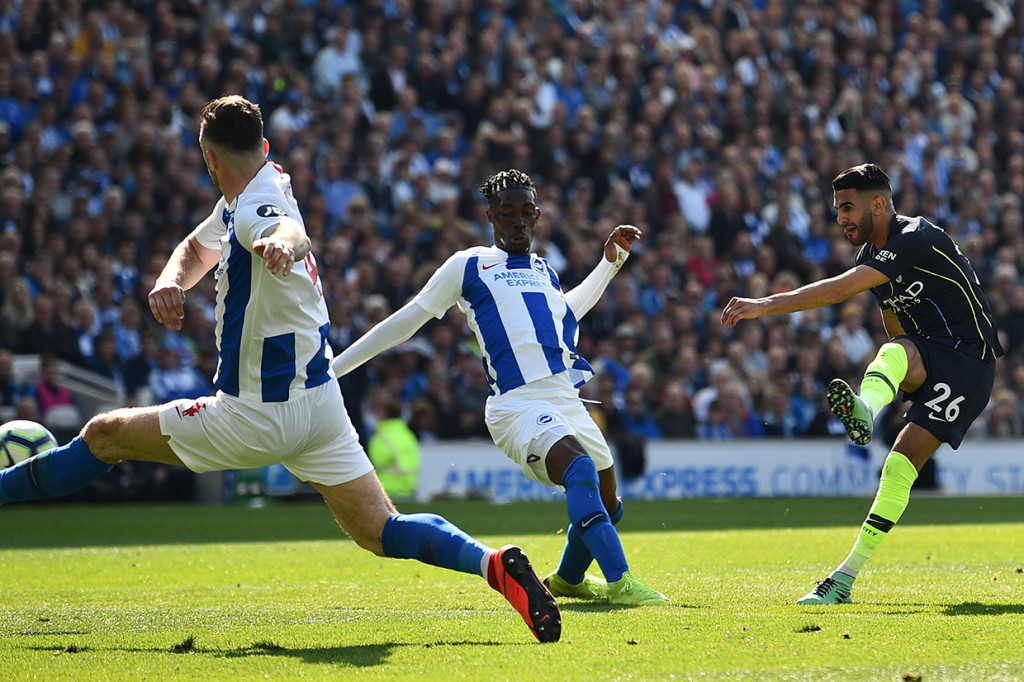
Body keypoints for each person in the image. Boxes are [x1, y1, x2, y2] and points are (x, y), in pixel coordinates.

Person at [0, 96, 560, 644]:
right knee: (381, 528)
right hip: (319, 406)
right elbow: (198, 248)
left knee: (104, 435)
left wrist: (279, 246)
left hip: (254, 413)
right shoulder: (255, 188)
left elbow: (286, 230)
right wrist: (172, 280)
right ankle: (495, 566)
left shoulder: (257, 208)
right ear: (262, 146)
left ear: (209, 160)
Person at [331, 169, 669, 606]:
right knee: (579, 469)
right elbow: (407, 320)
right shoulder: (468, 265)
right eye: (507, 212)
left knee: (609, 500)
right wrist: (335, 368)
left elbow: (567, 312)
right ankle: (622, 582)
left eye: (526, 212)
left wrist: (610, 263)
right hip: (517, 405)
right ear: (490, 215)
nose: (517, 221)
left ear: (538, 215)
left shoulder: (544, 269)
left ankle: (567, 579)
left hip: (565, 397)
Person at [722, 163, 1003, 604]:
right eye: (837, 210)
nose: (841, 219)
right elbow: (894, 325)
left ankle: (864, 416)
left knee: (897, 442)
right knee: (894, 399)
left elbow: (839, 290)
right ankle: (845, 576)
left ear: (879, 204)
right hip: (928, 355)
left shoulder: (915, 237)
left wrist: (765, 304)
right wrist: (901, 380)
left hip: (970, 362)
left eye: (848, 207)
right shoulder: (872, 257)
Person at [366, 391, 421, 501]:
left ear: (385, 414)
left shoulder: (381, 437)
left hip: (388, 489)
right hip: (410, 487)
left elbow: (375, 462)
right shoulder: (407, 434)